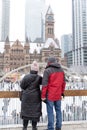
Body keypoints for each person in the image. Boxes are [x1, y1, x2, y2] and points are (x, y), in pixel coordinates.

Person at [41, 57, 66, 130]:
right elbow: (63, 83)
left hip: (50, 95)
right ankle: (58, 127)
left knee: (50, 112)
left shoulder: (47, 71)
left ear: (49, 63)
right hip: (58, 94)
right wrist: (62, 92)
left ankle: (51, 128)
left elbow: (44, 85)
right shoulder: (61, 70)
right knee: (58, 110)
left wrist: (43, 96)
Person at [20, 61, 42, 130]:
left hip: (26, 97)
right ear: (37, 70)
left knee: (26, 113)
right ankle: (34, 127)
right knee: (34, 114)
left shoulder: (26, 77)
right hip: (36, 98)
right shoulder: (39, 78)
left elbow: (22, 86)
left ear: (31, 69)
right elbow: (45, 84)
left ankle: (25, 127)